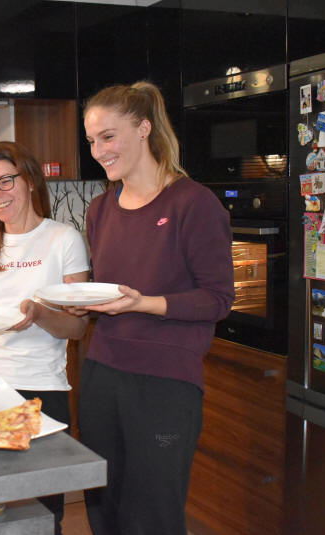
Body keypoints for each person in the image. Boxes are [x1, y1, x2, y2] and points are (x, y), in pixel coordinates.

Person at [71, 81, 235, 534]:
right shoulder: (100, 209)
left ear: (144, 128)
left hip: (165, 381)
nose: (99, 151)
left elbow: (217, 299)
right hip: (103, 372)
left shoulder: (193, 203)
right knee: (102, 503)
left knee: (153, 514)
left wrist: (144, 304)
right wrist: (81, 305)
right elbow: (109, 290)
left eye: (108, 136)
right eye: (92, 140)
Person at [0, 141, 90, 534]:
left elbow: (78, 328)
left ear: (29, 180)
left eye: (5, 181)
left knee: (43, 513)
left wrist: (40, 314)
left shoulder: (64, 239)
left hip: (40, 389)